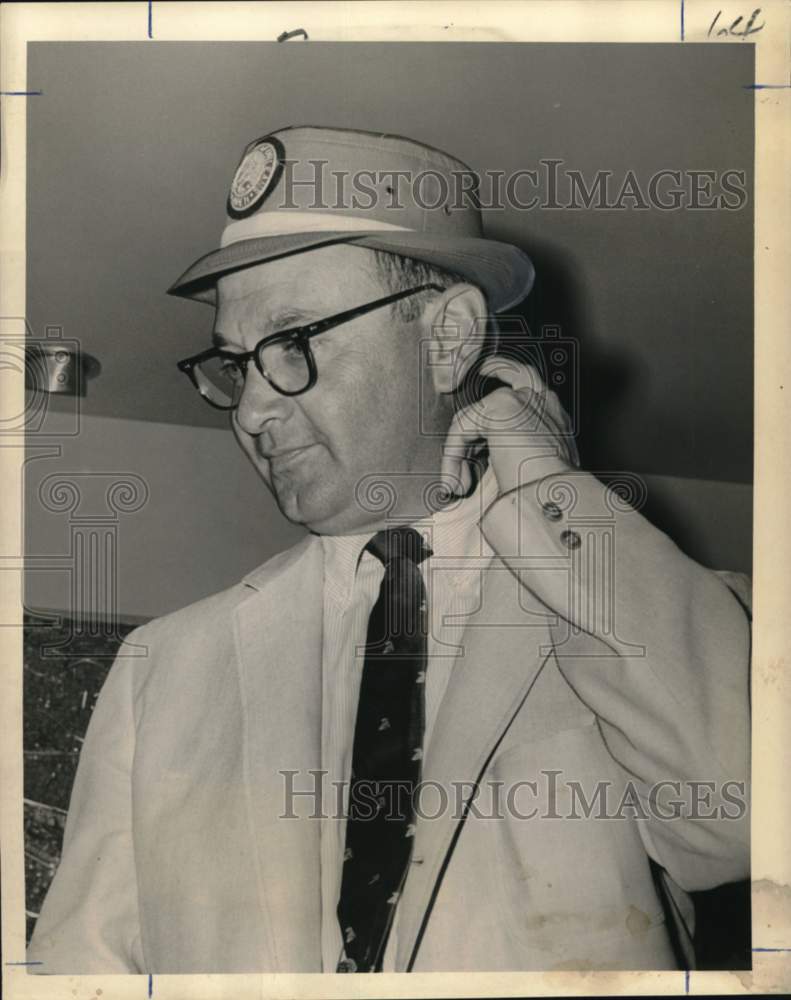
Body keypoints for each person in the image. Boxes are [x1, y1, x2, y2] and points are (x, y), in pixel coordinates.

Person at [28, 125, 750, 974]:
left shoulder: (653, 608)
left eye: (292, 345)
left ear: (449, 337)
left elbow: (739, 822)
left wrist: (548, 492)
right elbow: (83, 971)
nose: (252, 411)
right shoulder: (163, 668)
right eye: (234, 365)